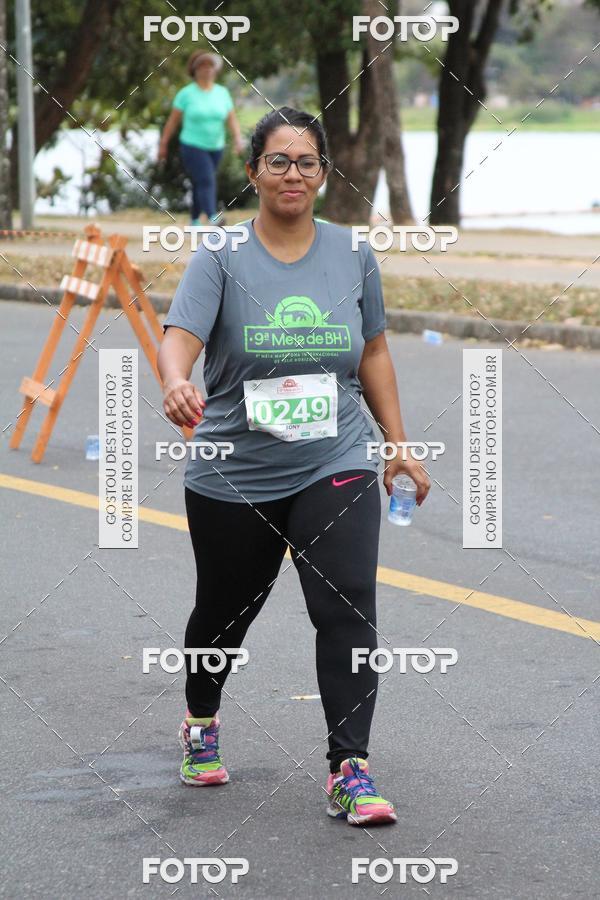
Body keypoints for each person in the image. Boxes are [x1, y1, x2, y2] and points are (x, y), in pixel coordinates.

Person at [157, 106, 430, 826]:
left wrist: (398, 442)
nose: (293, 174)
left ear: (324, 172)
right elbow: (179, 335)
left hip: (333, 458)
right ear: (253, 173)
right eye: (278, 161)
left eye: (307, 161)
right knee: (225, 611)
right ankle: (201, 718)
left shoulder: (352, 253)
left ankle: (351, 770)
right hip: (235, 469)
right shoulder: (221, 254)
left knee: (345, 600)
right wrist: (176, 381)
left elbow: (372, 352)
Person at [158, 50, 245, 225]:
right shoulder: (186, 94)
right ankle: (213, 217)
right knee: (206, 178)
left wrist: (237, 138)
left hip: (216, 145)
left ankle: (195, 220)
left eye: (210, 66)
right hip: (192, 144)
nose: (207, 70)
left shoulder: (222, 93)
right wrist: (164, 143)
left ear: (215, 70)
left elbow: (232, 119)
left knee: (201, 182)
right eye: (202, 66)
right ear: (194, 70)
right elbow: (172, 122)